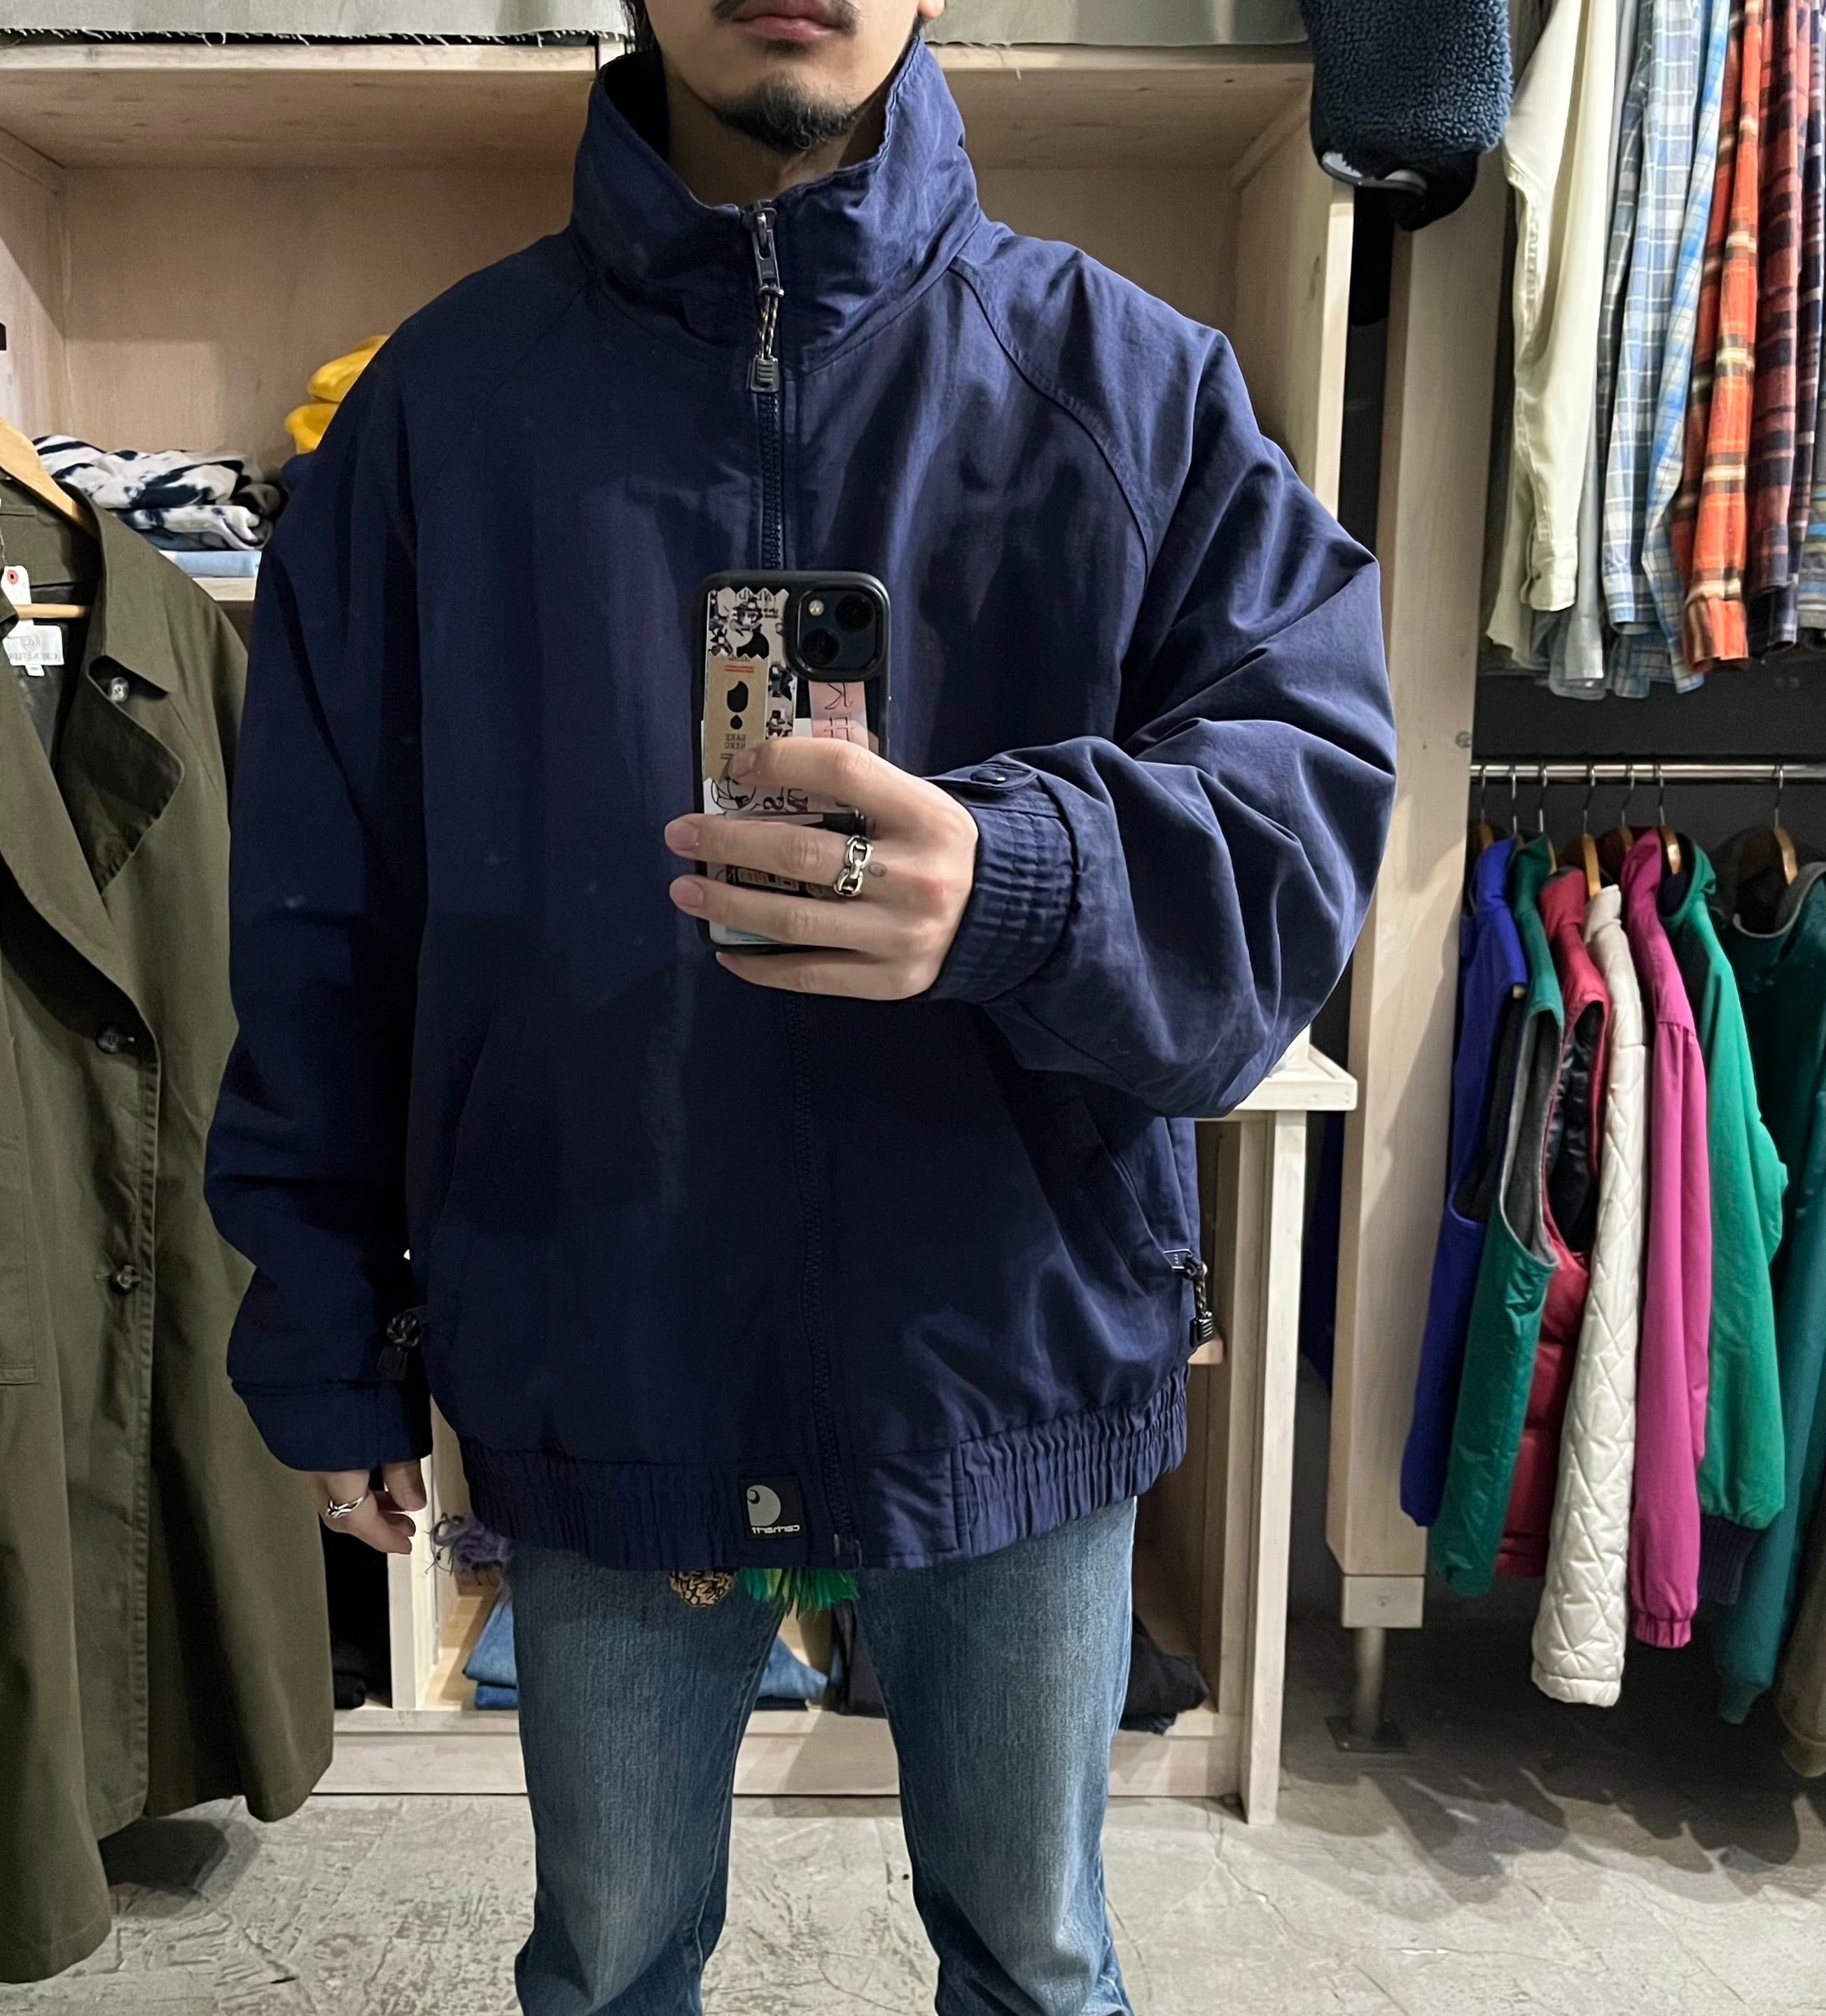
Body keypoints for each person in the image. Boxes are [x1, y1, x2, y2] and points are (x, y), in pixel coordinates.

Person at [206, 0, 1395, 2008]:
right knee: (606, 1961)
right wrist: (328, 1322)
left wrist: (1020, 883)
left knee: (1036, 1959)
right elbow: (324, 912)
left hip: (1004, 1333)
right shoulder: (437, 413)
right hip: (598, 1324)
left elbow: (1302, 833)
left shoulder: (1135, 387)